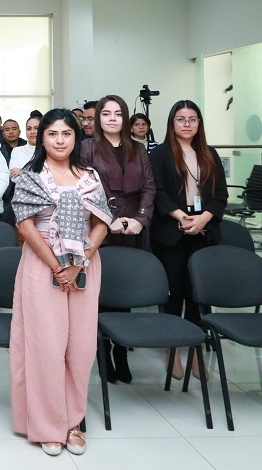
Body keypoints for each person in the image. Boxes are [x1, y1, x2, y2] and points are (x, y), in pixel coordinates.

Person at [10, 108, 111, 457]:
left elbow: (101, 222)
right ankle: (49, 424)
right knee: (47, 347)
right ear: (42, 138)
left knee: (80, 348)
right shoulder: (31, 175)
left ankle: (73, 422)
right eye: (52, 134)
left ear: (75, 138)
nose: (59, 140)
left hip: (84, 266)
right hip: (42, 265)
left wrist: (81, 259)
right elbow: (25, 226)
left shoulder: (89, 176)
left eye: (66, 134)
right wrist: (57, 266)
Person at [149, 100, 227, 380]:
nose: (186, 124)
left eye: (192, 119)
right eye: (181, 119)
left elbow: (220, 196)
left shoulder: (209, 153)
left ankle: (195, 350)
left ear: (199, 124)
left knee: (197, 295)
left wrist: (204, 218)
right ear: (172, 123)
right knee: (174, 293)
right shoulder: (159, 155)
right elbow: (157, 192)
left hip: (203, 232)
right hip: (171, 231)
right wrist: (182, 216)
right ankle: (172, 348)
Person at [81, 95, 155, 384]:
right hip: (101, 227)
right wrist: (106, 220)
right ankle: (103, 354)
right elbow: (84, 188)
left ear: (125, 118)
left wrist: (140, 219)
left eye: (118, 114)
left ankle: (121, 353)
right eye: (106, 114)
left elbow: (149, 188)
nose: (112, 118)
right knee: (101, 295)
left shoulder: (138, 149)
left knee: (125, 293)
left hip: (133, 228)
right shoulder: (87, 148)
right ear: (98, 118)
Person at [9, 114, 40, 185]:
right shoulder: (17, 151)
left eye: (36, 128)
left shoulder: (49, 151)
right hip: (23, 195)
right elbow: (14, 178)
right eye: (29, 129)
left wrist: (23, 172)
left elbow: (51, 177)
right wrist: (37, 175)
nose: (32, 132)